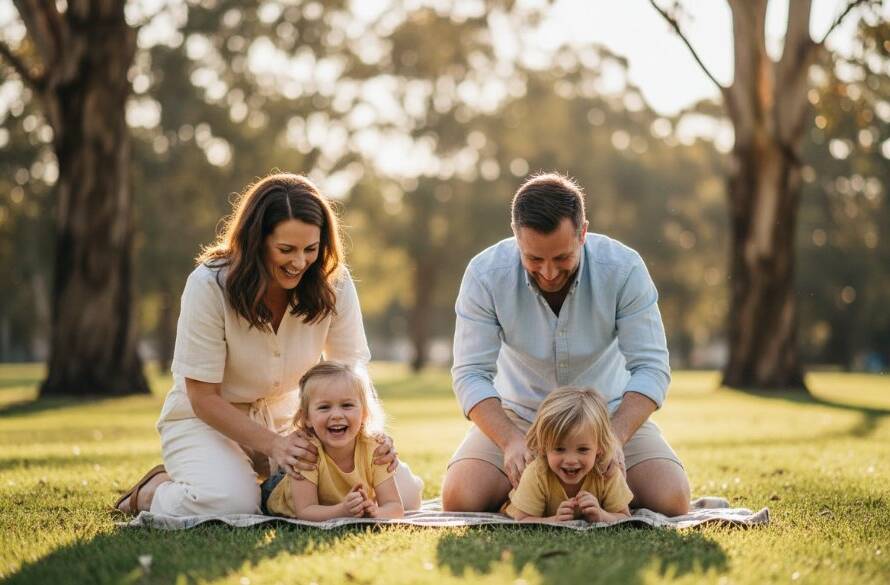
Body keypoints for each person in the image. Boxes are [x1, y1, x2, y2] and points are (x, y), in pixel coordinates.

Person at [115, 173, 422, 516]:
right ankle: (151, 493)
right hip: (207, 419)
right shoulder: (209, 285)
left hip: (288, 418)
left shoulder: (335, 282)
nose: (300, 262)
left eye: (311, 249)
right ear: (256, 242)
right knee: (232, 504)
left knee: (404, 493)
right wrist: (274, 446)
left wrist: (371, 438)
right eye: (286, 250)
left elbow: (352, 372)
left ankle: (264, 489)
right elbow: (203, 397)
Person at [442, 172, 689, 516]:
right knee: (460, 499)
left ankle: (552, 497)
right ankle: (538, 495)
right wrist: (509, 440)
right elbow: (470, 374)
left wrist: (614, 437)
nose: (548, 273)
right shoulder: (485, 274)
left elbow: (651, 367)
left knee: (672, 499)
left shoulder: (624, 268)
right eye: (533, 260)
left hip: (606, 420)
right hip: (520, 420)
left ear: (582, 232)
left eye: (561, 258)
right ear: (516, 237)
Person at [262, 361, 404, 520]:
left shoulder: (375, 449)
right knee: (246, 501)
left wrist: (376, 513)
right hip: (280, 494)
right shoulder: (307, 452)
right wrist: (342, 510)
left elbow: (395, 507)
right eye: (324, 407)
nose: (336, 415)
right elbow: (306, 511)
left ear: (364, 413)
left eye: (347, 405)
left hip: (337, 504)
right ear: (307, 418)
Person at [503, 387, 632, 523]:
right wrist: (554, 520)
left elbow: (624, 517)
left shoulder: (606, 471)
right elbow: (522, 520)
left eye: (582, 449)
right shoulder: (537, 473)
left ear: (599, 447)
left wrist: (602, 516)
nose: (571, 460)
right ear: (543, 447)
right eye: (559, 449)